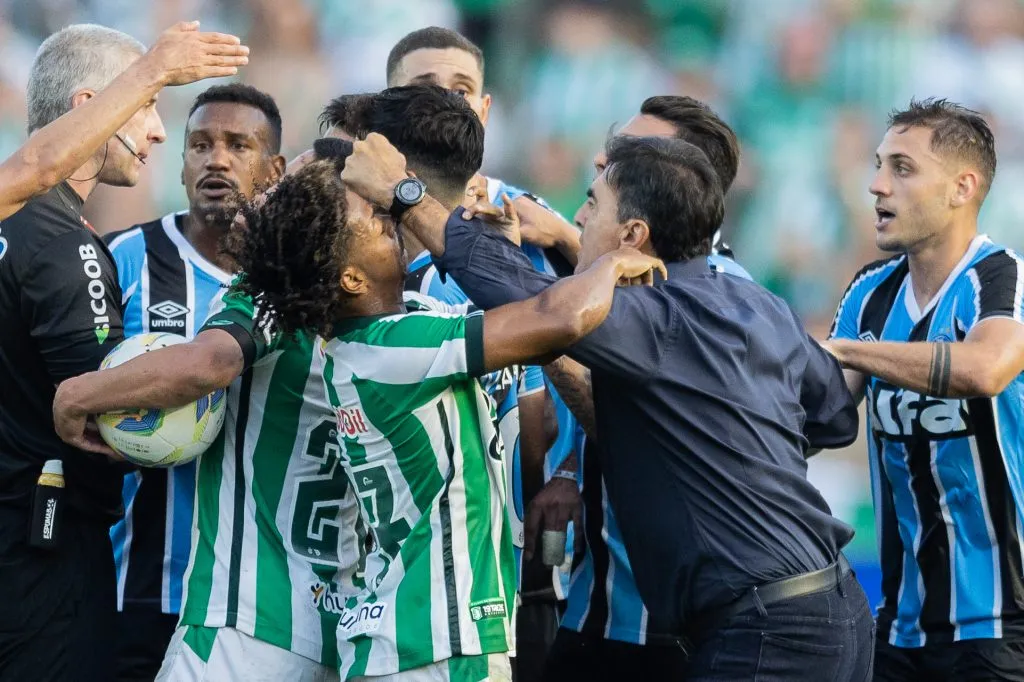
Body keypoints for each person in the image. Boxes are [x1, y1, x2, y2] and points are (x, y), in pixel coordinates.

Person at [340, 130, 874, 681]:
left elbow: (536, 305)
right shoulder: (755, 301)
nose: (578, 217)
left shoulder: (655, 319)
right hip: (831, 606)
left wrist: (403, 193)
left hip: (768, 632)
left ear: (632, 235)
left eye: (593, 204)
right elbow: (833, 415)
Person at [223, 149, 664, 681]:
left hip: (416, 638)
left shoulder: (402, 327)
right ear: (351, 280)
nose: (391, 221)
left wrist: (496, 249)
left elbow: (504, 313)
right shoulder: (393, 349)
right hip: (433, 641)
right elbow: (559, 318)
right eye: (375, 223)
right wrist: (610, 263)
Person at [53, 145, 361, 681]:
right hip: (344, 625)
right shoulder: (416, 320)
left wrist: (78, 396)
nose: (267, 195)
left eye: (286, 189)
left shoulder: (268, 302)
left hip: (245, 624)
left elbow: (207, 363)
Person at [0, 22, 245, 681]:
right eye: (147, 108)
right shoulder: (64, 244)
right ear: (91, 108)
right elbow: (107, 413)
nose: (159, 132)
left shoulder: (12, 221)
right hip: (45, 552)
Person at [384, 31, 580, 679]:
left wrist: (572, 471)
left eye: (461, 89)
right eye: (423, 88)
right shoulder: (348, 224)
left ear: (486, 110)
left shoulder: (525, 221)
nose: (444, 99)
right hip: (387, 569)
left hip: (519, 568)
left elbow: (626, 345)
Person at [543, 94, 749, 681]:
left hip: (666, 622)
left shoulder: (721, 296)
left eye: (629, 152)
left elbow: (654, 428)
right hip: (596, 602)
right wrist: (566, 472)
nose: (602, 160)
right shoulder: (615, 276)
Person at [824, 99, 1024, 682]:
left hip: (1003, 624)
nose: (877, 185)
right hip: (898, 625)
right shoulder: (869, 292)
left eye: (902, 169)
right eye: (879, 165)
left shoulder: (1001, 278)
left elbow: (986, 369)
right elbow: (821, 420)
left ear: (963, 187)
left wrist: (843, 350)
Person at [102, 83, 285, 681]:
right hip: (136, 589)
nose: (217, 159)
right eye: (200, 144)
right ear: (181, 164)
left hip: (257, 604)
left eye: (239, 145)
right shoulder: (124, 259)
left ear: (275, 169)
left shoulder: (299, 283)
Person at [0, 20, 247, 222]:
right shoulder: (46, 242)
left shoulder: (63, 237)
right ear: (85, 105)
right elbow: (39, 166)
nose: (160, 133)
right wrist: (155, 69)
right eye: (145, 105)